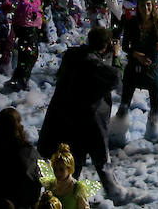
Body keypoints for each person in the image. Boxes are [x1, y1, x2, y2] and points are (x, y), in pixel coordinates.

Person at [37, 26, 125, 202]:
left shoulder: (73, 55)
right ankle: (113, 194)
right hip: (88, 120)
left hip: (64, 116)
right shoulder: (93, 64)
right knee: (98, 159)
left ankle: (61, 197)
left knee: (72, 161)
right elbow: (116, 78)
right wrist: (115, 57)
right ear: (106, 45)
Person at [116, 0, 158, 138]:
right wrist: (136, 54)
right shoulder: (131, 23)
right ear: (137, 7)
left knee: (155, 105)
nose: (146, 8)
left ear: (152, 5)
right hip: (134, 68)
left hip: (152, 70)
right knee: (124, 103)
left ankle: (153, 134)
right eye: (142, 5)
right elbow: (125, 45)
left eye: (148, 4)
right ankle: (117, 133)